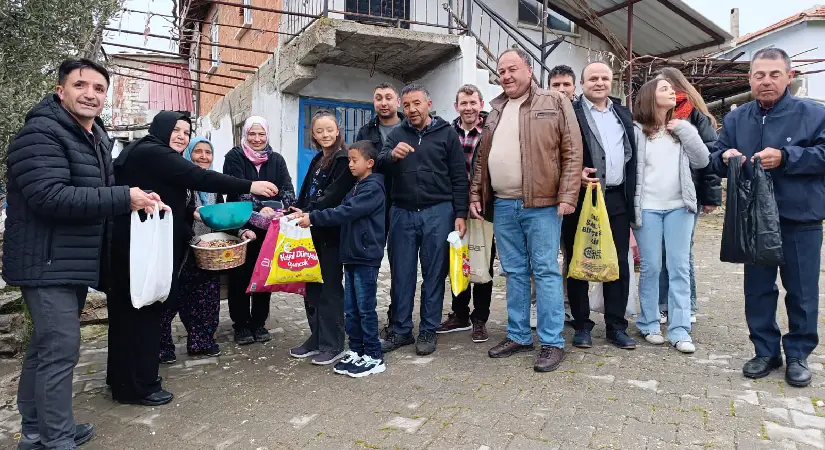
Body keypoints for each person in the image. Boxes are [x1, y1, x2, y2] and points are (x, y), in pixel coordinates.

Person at [4, 58, 161, 450]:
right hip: (45, 261)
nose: (90, 94)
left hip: (68, 262)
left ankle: (36, 431)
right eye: (80, 85)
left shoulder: (91, 136)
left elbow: (98, 192)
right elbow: (49, 196)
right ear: (61, 91)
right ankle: (56, 439)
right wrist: (125, 198)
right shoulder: (40, 134)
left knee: (46, 347)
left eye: (99, 88)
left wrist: (138, 197)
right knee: (61, 349)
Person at [108, 111, 279, 406]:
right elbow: (199, 177)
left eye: (186, 132)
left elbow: (175, 195)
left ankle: (125, 379)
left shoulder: (146, 151)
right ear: (161, 129)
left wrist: (191, 217)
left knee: (133, 312)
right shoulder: (153, 151)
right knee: (144, 311)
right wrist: (248, 186)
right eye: (176, 130)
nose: (181, 136)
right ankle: (138, 386)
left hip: (144, 244)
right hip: (143, 247)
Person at [709, 47, 825, 388]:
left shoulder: (814, 114)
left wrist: (787, 157)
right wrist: (724, 157)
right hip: (752, 218)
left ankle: (799, 354)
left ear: (789, 77)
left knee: (802, 291)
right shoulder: (735, 118)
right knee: (757, 289)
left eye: (774, 74)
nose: (767, 81)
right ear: (750, 79)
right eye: (759, 75)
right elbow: (715, 159)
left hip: (799, 217)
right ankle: (765, 351)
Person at [470, 48, 582, 372]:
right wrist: (477, 193)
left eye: (512, 69)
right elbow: (482, 158)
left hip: (543, 203)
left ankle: (552, 342)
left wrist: (567, 195)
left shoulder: (554, 101)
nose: (506, 76)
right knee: (514, 272)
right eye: (501, 71)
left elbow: (572, 150)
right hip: (503, 204)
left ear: (528, 69)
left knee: (545, 270)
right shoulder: (495, 109)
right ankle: (519, 334)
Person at [378, 83, 468, 356]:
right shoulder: (396, 134)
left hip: (438, 212)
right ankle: (402, 329)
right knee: (401, 274)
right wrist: (392, 156)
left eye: (416, 103)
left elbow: (458, 176)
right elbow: (378, 164)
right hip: (403, 213)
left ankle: (428, 329)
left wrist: (460, 214)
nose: (412, 109)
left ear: (428, 104)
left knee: (433, 274)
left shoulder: (447, 134)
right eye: (406, 105)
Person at [294, 140, 387, 377]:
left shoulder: (373, 188)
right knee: (352, 308)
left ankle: (374, 355)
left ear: (370, 163)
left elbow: (346, 211)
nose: (350, 165)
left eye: (355, 161)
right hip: (351, 255)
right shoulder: (356, 186)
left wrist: (314, 217)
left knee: (365, 308)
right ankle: (356, 350)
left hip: (366, 256)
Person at [563, 61, 638, 351]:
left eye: (604, 78)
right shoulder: (571, 113)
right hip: (582, 199)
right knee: (579, 261)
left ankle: (616, 326)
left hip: (617, 197)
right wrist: (575, 174)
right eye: (592, 78)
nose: (599, 82)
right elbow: (558, 149)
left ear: (611, 83)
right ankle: (581, 325)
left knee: (618, 262)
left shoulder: (622, 114)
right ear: (582, 84)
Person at [631, 78, 709, 354]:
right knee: (651, 266)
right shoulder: (637, 131)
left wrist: (685, 131)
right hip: (648, 208)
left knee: (679, 267)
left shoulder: (682, 127)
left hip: (680, 207)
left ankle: (679, 329)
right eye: (664, 89)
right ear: (650, 97)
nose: (672, 93)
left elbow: (703, 160)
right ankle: (649, 323)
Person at [288, 110, 356, 365]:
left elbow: (333, 195)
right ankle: (316, 338)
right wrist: (295, 208)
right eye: (319, 131)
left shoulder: (342, 159)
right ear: (313, 135)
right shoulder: (319, 158)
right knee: (312, 288)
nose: (325, 134)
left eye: (329, 129)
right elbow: (306, 192)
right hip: (311, 231)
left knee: (329, 289)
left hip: (330, 233)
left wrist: (308, 211)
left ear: (338, 130)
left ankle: (333, 343)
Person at [655, 67, 720, 326]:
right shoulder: (655, 116)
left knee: (681, 254)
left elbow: (711, 157)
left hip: (688, 193)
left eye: (668, 86)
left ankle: (687, 304)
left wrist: (711, 197)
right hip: (659, 195)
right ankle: (662, 304)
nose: (667, 92)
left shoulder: (695, 115)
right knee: (659, 252)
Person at [158, 137, 232, 364]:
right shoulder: (180, 182)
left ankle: (201, 342)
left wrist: (235, 234)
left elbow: (220, 217)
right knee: (170, 299)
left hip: (207, 250)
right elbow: (175, 216)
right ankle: (162, 347)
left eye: (208, 152)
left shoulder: (213, 185)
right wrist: (192, 238)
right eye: (197, 151)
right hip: (180, 250)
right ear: (189, 154)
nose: (203, 156)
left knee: (206, 297)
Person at [223, 116, 296, 345]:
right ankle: (241, 325)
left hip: (270, 229)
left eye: (261, 134)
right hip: (242, 226)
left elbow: (287, 191)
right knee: (241, 276)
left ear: (267, 135)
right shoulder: (235, 157)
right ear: (245, 134)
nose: (256, 139)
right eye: (252, 134)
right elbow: (234, 190)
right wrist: (258, 207)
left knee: (264, 273)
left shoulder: (277, 160)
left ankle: (259, 322)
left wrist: (277, 208)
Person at [436, 84, 493, 343]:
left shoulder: (492, 130)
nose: (468, 108)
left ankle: (479, 319)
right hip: (455, 206)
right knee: (457, 260)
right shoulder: (447, 132)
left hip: (484, 205)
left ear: (481, 104)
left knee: (482, 262)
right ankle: (459, 313)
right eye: (464, 103)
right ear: (456, 106)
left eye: (473, 103)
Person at [355, 83, 403, 340]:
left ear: (398, 101)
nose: (383, 103)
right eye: (378, 98)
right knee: (370, 260)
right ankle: (365, 317)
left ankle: (396, 318)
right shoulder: (366, 131)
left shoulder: (408, 128)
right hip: (374, 204)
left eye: (388, 98)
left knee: (400, 264)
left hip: (403, 202)